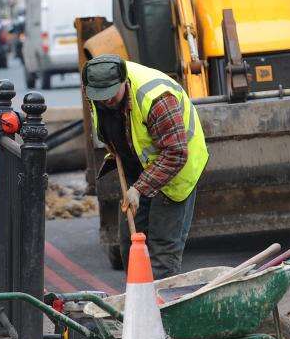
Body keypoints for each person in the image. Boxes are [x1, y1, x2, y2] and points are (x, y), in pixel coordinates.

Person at [83, 54, 208, 279]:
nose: (105, 101)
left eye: (111, 95)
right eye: (99, 97)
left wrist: (139, 189)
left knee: (162, 248)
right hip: (139, 166)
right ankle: (138, 302)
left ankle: (161, 309)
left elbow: (176, 153)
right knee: (130, 245)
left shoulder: (157, 98)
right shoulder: (97, 89)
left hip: (175, 169)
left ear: (124, 81)